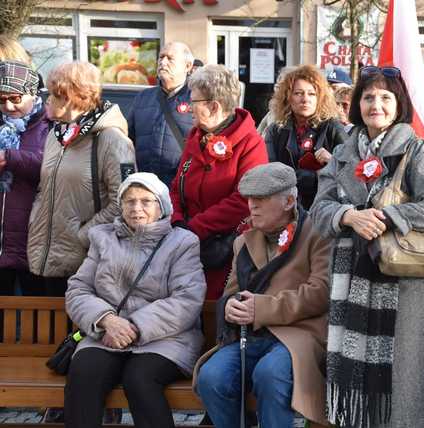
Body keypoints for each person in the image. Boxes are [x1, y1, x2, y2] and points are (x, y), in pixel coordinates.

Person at [311, 65, 424, 428]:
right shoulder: (343, 153)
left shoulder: (417, 150)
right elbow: (318, 210)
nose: (376, 104)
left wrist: (386, 215)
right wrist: (347, 216)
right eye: (368, 96)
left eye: (386, 97)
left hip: (403, 280)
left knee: (404, 378)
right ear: (357, 103)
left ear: (399, 104)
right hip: (351, 277)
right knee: (358, 382)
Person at [194, 162, 331, 428]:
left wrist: (262, 308)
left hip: (299, 334)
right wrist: (231, 307)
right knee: (211, 377)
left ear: (289, 201)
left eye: (261, 199)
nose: (251, 206)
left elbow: (321, 292)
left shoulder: (317, 232)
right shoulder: (243, 241)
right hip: (251, 335)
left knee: (270, 374)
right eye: (249, 199)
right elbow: (231, 293)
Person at [64, 172, 206, 428]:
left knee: (140, 379)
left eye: (146, 201)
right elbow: (78, 289)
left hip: (166, 338)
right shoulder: (102, 238)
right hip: (106, 334)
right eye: (129, 201)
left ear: (161, 205)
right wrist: (106, 320)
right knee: (84, 372)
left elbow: (187, 299)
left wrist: (134, 327)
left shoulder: (182, 242)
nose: (136, 208)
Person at [27, 61, 135, 296]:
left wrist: (84, 235)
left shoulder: (112, 140)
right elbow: (44, 188)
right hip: (47, 255)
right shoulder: (56, 136)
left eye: (52, 94)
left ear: (69, 97)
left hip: (87, 263)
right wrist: (35, 219)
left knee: (77, 331)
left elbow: (126, 201)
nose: (46, 99)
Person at [169, 64, 268, 299]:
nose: (187, 109)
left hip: (226, 251)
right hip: (187, 246)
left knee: (217, 313)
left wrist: (194, 228)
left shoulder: (250, 143)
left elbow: (245, 198)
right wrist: (177, 221)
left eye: (193, 102)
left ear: (213, 106)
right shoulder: (196, 137)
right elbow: (176, 187)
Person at [264, 65, 347, 209]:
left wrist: (332, 161)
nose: (305, 99)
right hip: (284, 207)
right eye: (298, 93)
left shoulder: (333, 127)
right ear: (288, 97)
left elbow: (352, 171)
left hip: (325, 207)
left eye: (312, 94)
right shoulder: (275, 131)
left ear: (320, 97)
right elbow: (271, 174)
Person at [0, 61, 47, 296]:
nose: (7, 105)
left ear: (33, 94)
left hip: (35, 240)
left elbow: (53, 166)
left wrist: (10, 158)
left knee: (37, 317)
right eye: (1, 98)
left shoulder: (52, 123)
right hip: (2, 241)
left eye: (15, 98)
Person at [127, 42, 193, 187]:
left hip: (182, 188)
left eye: (170, 58)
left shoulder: (197, 99)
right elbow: (127, 142)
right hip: (145, 187)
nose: (163, 62)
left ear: (187, 66)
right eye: (161, 57)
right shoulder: (143, 97)